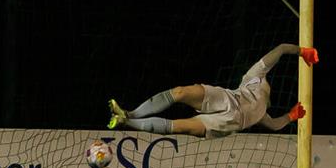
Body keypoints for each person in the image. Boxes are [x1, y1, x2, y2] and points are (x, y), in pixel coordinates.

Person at [107, 44, 318, 138]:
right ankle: (131, 113)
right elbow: (280, 50)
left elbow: (273, 125)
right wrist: (301, 51)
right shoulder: (254, 79)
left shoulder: (262, 115)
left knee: (178, 127)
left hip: (225, 125)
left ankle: (126, 121)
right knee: (180, 92)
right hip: (228, 99)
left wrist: (291, 116)